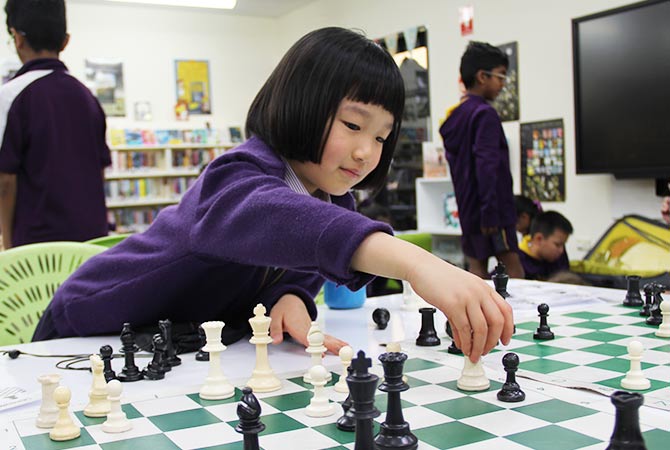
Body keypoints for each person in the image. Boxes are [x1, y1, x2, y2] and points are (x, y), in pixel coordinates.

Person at [32, 28, 513, 363]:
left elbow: (304, 256)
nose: (367, 152)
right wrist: (418, 263)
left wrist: (289, 294)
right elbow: (286, 223)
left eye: (383, 137)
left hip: (176, 345)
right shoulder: (236, 177)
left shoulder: (330, 197)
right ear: (299, 104)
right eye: (352, 125)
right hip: (84, 329)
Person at [0, 0, 110, 250]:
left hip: (37, 248)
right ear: (65, 41)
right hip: (91, 243)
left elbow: (5, 181)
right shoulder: (88, 98)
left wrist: (8, 246)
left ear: (17, 38)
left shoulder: (11, 95)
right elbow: (100, 171)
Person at [439, 41, 524, 280]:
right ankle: (525, 317)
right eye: (501, 76)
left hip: (469, 209)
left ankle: (474, 318)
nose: (503, 84)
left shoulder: (454, 117)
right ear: (482, 76)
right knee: (514, 271)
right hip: (493, 209)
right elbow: (487, 165)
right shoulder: (484, 113)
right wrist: (490, 212)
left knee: (476, 271)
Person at [518, 211, 573, 281]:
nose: (561, 251)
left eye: (563, 245)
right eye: (557, 245)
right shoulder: (518, 261)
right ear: (539, 239)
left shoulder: (559, 257)